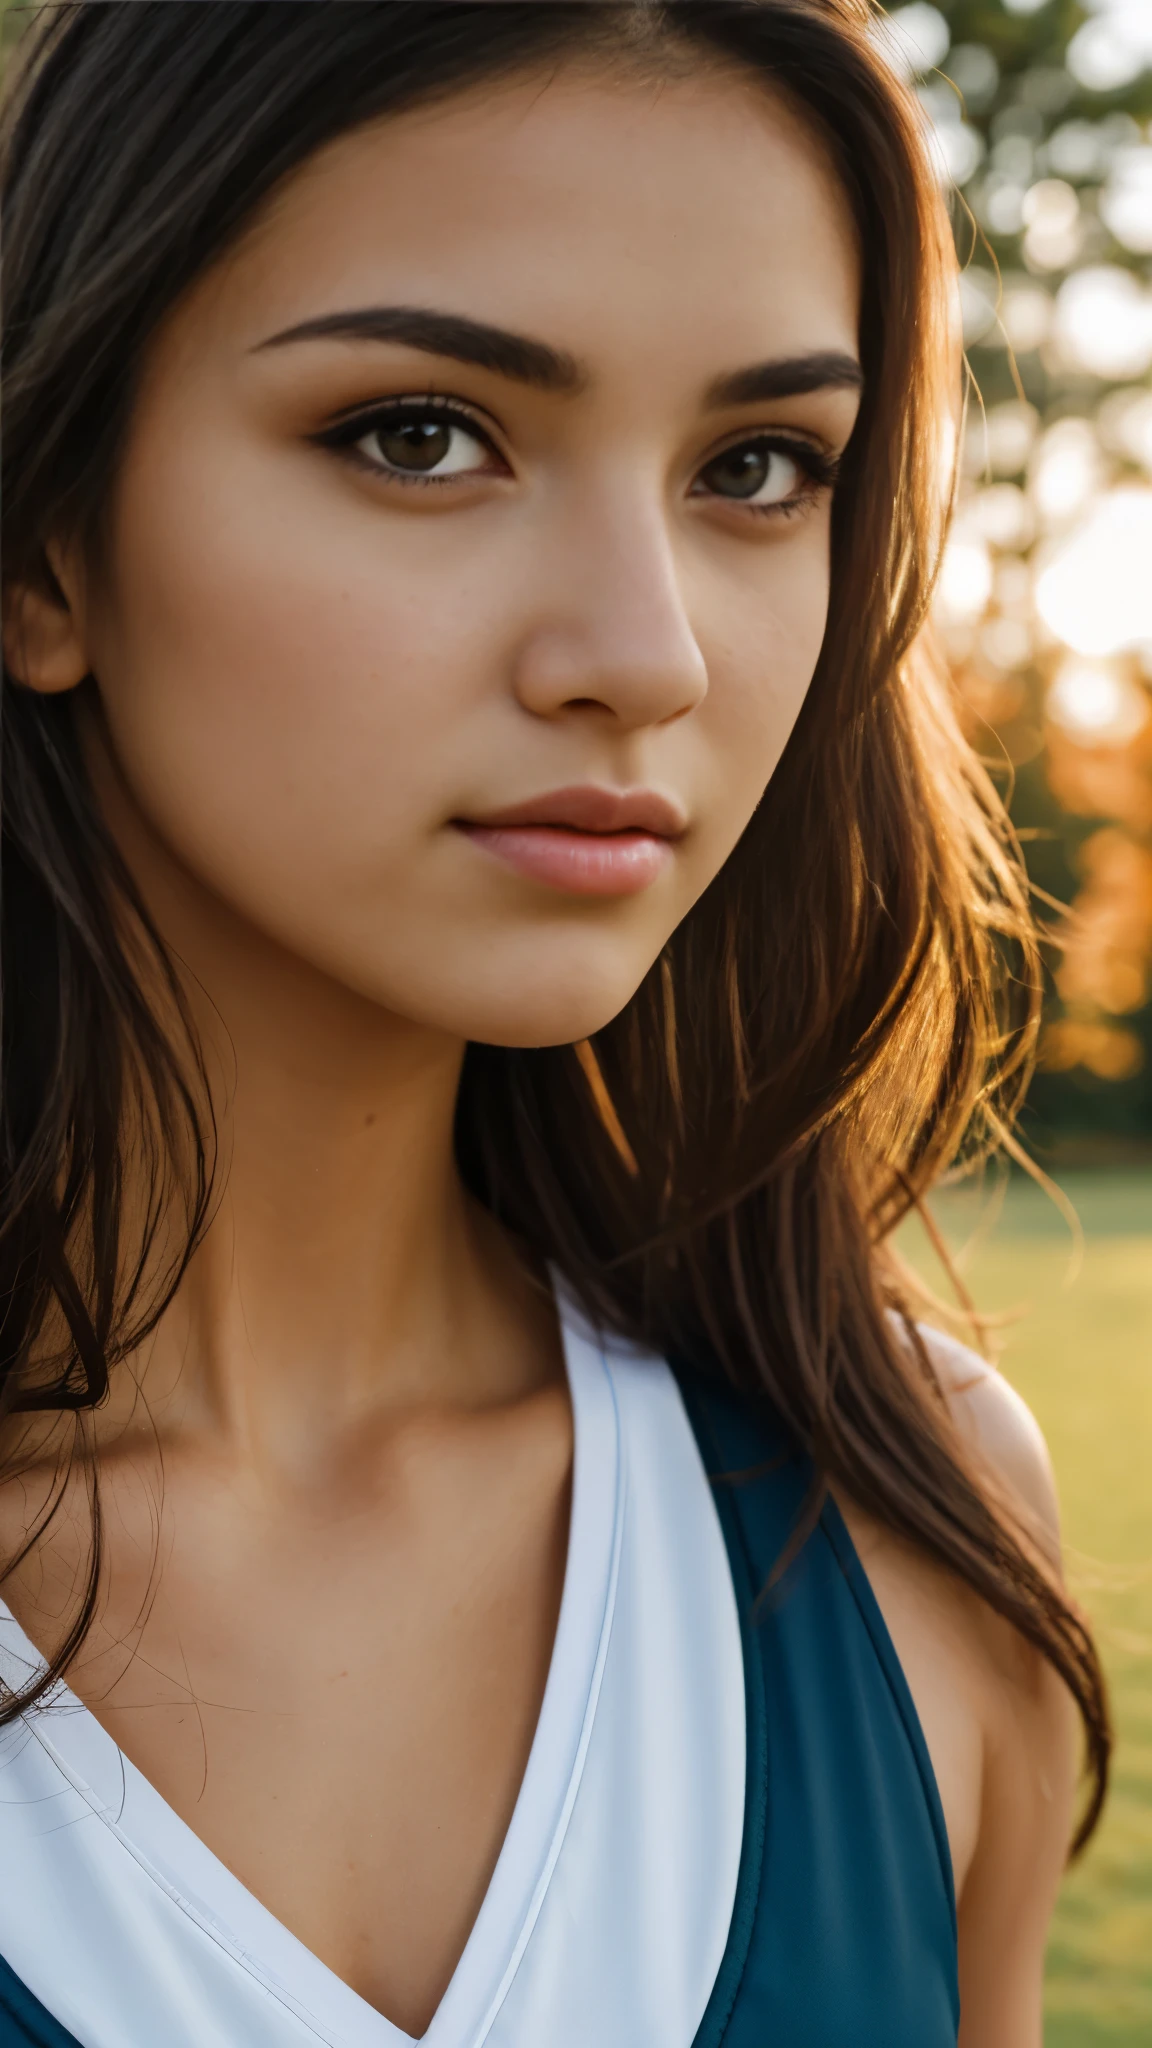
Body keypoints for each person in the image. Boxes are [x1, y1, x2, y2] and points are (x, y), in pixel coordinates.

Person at [0, 4, 1109, 2044]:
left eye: (759, 468)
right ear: (44, 541)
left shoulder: (908, 1524)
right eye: (424, 433)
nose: (650, 652)